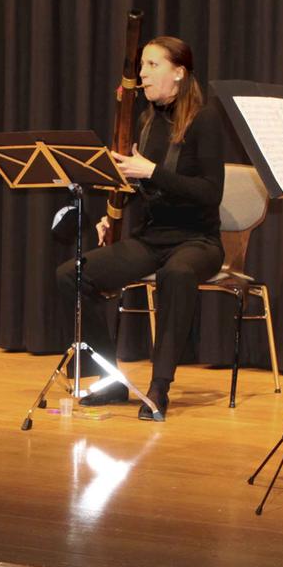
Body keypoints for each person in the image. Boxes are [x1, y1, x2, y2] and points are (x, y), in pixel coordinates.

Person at [55, 36, 226, 420]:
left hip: (198, 240)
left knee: (177, 274)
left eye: (152, 65)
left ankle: (158, 388)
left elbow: (210, 193)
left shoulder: (206, 118)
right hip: (152, 238)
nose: (143, 74)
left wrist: (152, 171)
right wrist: (112, 211)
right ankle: (112, 379)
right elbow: (141, 185)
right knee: (72, 275)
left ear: (179, 73)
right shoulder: (149, 120)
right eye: (142, 66)